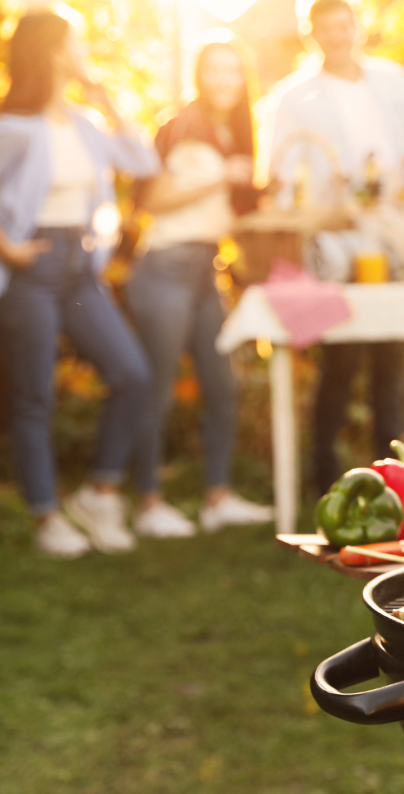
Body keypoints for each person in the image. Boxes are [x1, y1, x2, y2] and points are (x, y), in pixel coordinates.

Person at [0, 11, 158, 558]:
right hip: (31, 268)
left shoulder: (86, 123)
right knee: (34, 394)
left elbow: (143, 159)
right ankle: (46, 517)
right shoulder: (12, 128)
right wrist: (6, 246)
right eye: (75, 43)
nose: (82, 49)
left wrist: (102, 90)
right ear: (50, 51)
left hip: (79, 266)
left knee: (131, 372)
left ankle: (99, 493)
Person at [258, 0, 404, 494]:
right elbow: (278, 176)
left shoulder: (391, 80)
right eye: (326, 29)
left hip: (392, 237)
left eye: (344, 26)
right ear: (311, 35)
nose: (338, 36)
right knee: (339, 353)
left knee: (391, 354)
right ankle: (325, 475)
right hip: (334, 243)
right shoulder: (294, 97)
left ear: (356, 28)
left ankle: (392, 474)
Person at [125, 40, 273, 538]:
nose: (223, 80)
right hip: (165, 264)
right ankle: (147, 503)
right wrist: (217, 181)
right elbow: (149, 199)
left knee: (223, 385)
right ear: (199, 76)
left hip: (206, 269)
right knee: (158, 388)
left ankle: (218, 497)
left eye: (233, 71)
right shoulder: (178, 126)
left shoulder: (239, 132)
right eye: (213, 71)